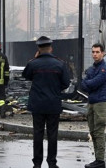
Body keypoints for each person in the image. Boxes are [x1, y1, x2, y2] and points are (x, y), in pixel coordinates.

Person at [22, 36, 72, 168]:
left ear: (38, 48)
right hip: (53, 104)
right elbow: (66, 83)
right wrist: (55, 89)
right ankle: (52, 163)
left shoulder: (33, 63)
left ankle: (37, 163)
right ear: (51, 48)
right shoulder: (60, 64)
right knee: (52, 134)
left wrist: (35, 58)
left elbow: (25, 75)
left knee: (37, 133)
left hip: (37, 104)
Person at [81, 43, 106, 168]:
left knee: (99, 132)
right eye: (93, 52)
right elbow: (82, 84)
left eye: (97, 52)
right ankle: (97, 159)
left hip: (100, 104)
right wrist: (88, 83)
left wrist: (88, 83)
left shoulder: (105, 68)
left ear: (102, 53)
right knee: (93, 132)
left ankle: (100, 161)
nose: (95, 54)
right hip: (91, 103)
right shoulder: (91, 69)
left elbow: (94, 83)